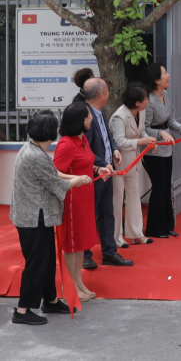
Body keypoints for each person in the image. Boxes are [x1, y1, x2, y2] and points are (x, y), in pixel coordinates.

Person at [10, 111, 91, 325]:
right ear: (48, 132)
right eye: (55, 127)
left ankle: (51, 300)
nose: (57, 130)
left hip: (37, 216)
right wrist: (80, 179)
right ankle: (22, 309)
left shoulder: (31, 148)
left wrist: (77, 176)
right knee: (36, 263)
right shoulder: (36, 156)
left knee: (46, 260)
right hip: (33, 217)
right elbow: (58, 184)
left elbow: (53, 173)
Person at [54, 102, 111, 301]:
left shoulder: (83, 139)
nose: (91, 118)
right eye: (88, 116)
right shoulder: (66, 144)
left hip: (85, 197)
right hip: (72, 200)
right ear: (80, 120)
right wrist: (75, 179)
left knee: (80, 243)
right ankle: (69, 286)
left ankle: (78, 283)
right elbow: (54, 173)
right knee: (71, 244)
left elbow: (87, 162)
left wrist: (97, 170)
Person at [81, 78, 134, 269]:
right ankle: (85, 254)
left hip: (107, 169)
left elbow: (107, 135)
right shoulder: (83, 114)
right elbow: (85, 149)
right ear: (102, 95)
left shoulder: (100, 110)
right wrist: (102, 164)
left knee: (107, 212)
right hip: (93, 173)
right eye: (107, 91)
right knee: (89, 215)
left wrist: (114, 149)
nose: (109, 94)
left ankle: (109, 252)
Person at [142, 63, 181, 239]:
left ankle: (167, 226)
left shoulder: (165, 94)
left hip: (167, 149)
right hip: (153, 150)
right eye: (165, 73)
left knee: (166, 188)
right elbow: (144, 129)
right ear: (157, 80)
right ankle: (154, 229)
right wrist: (160, 133)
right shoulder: (148, 101)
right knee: (159, 188)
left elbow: (170, 120)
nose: (169, 75)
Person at [110, 83, 162, 247]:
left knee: (134, 195)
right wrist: (142, 141)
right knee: (117, 199)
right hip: (118, 163)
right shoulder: (119, 116)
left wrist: (149, 141)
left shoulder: (141, 111)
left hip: (134, 161)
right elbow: (119, 142)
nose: (148, 100)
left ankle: (136, 233)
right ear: (137, 102)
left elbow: (142, 131)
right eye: (146, 98)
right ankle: (116, 237)